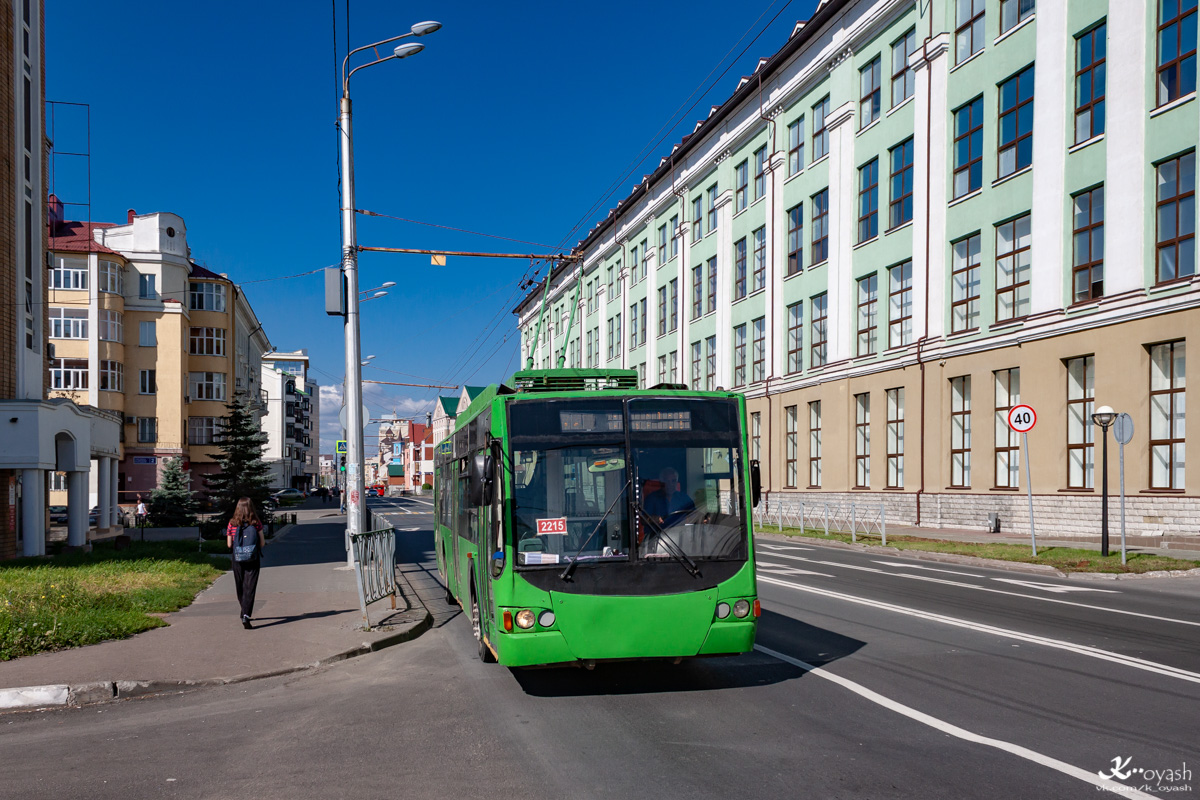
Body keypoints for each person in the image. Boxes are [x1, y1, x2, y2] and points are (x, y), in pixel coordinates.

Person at [226, 497, 266, 629]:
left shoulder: (232, 523)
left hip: (237, 558)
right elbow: (262, 543)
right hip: (253, 558)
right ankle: (246, 614)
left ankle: (243, 609)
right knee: (250, 586)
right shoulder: (256, 523)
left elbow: (229, 544)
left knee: (240, 585)